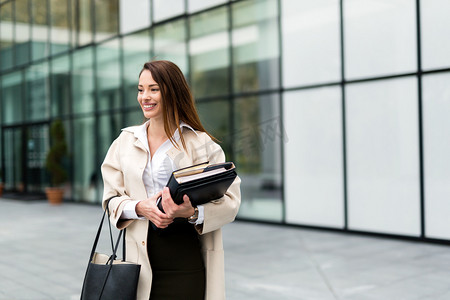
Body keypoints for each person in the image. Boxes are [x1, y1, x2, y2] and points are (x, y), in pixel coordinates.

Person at [101, 60, 241, 300]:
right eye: (140, 89)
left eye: (153, 89)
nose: (145, 96)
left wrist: (190, 212)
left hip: (185, 260)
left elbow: (231, 203)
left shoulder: (202, 144)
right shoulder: (124, 142)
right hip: (137, 265)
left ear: (172, 91)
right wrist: (139, 207)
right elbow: (110, 199)